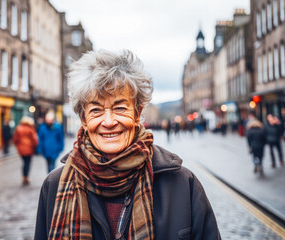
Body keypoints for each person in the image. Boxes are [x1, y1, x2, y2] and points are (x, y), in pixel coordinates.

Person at [34, 50, 220, 239]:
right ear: (83, 118)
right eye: (96, 110)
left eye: (120, 108)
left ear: (137, 113)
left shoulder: (182, 184)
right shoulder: (54, 186)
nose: (108, 121)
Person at [12, 116, 38, 186]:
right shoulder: (31, 129)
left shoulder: (18, 128)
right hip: (29, 149)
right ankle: (26, 177)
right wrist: (35, 146)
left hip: (21, 149)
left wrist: (18, 146)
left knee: (24, 163)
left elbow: (15, 139)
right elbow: (35, 140)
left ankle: (24, 177)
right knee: (27, 163)